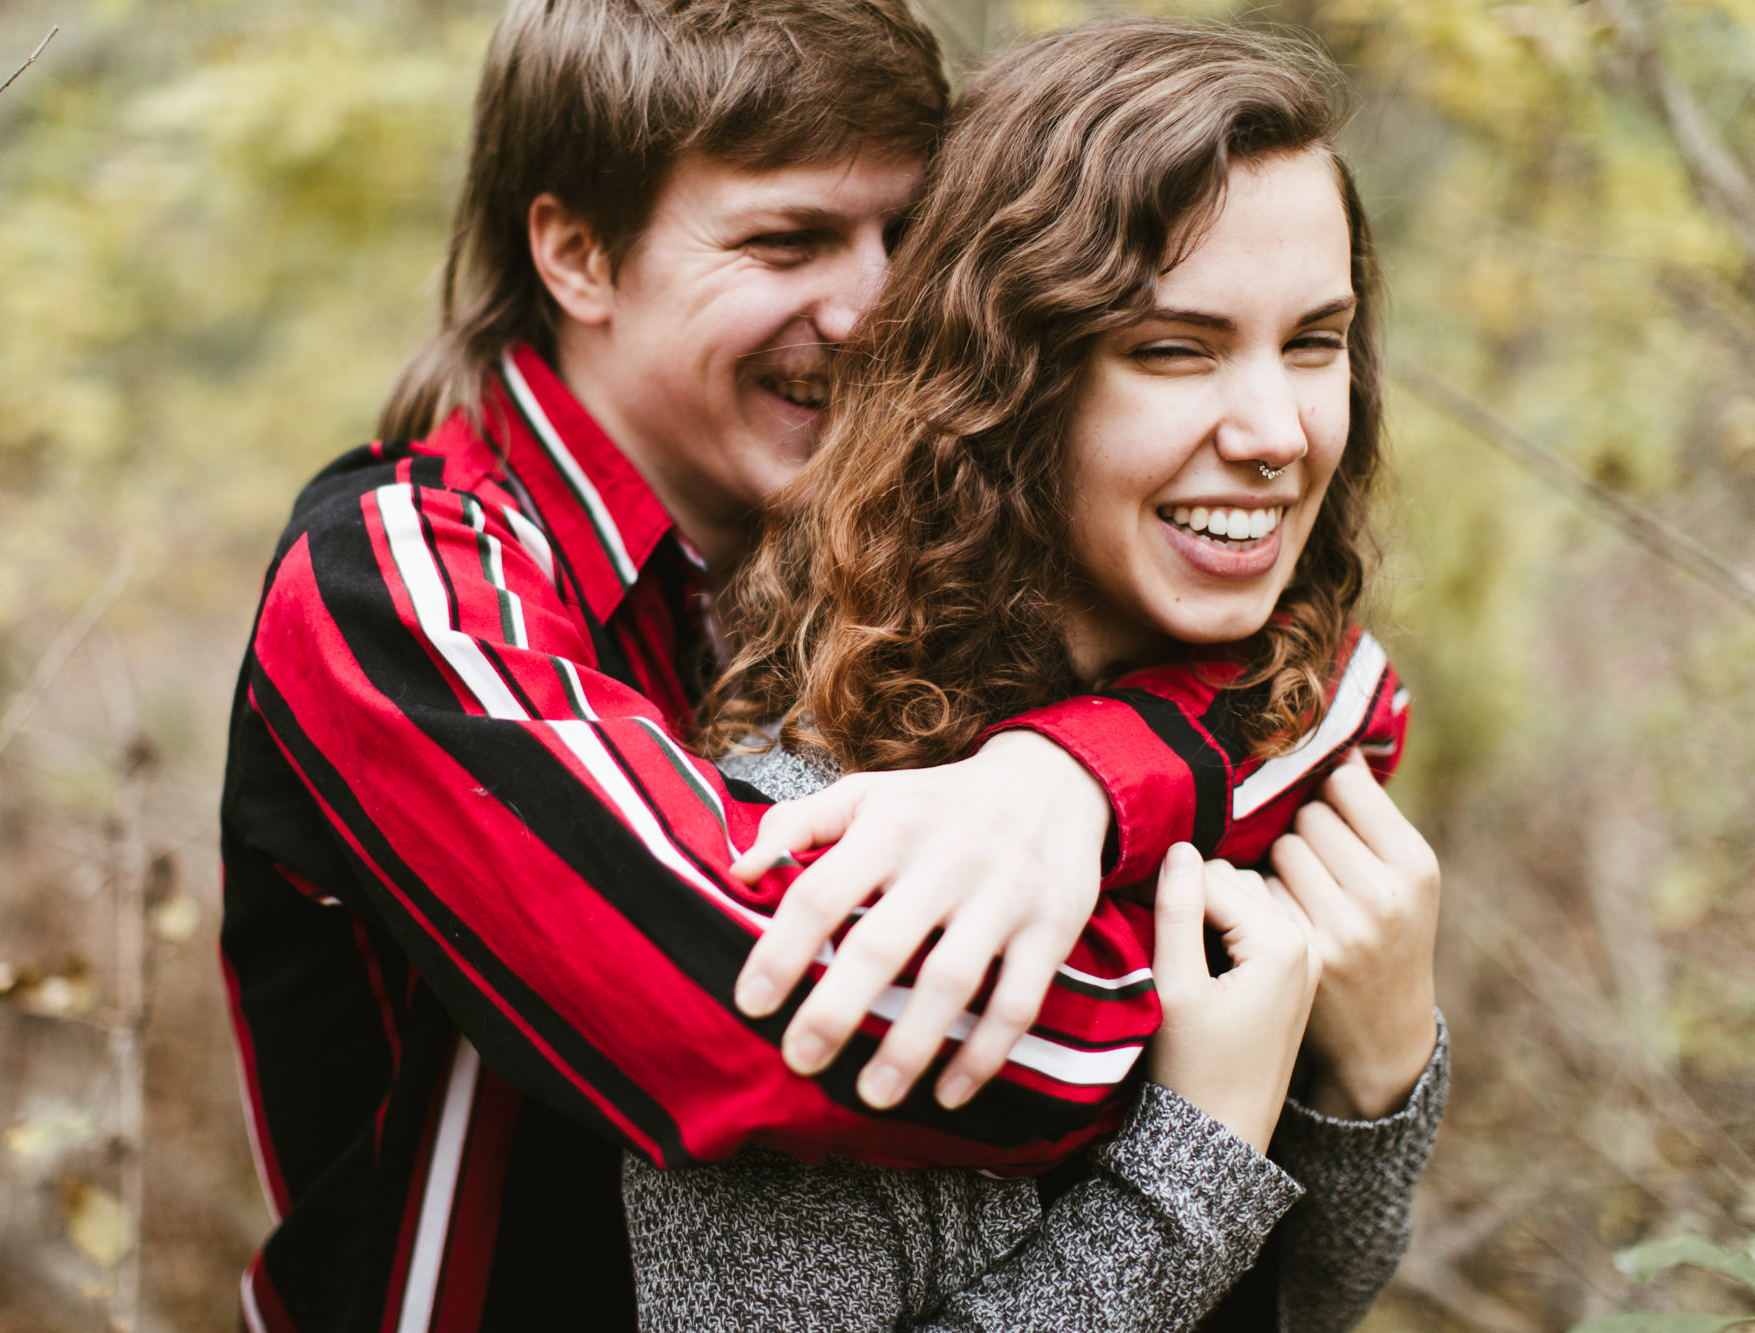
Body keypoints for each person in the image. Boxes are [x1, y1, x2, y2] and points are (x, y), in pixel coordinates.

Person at [219, 4, 1418, 1330]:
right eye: (786, 241)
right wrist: (1208, 1058)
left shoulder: (906, 577)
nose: (868, 310)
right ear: (574, 250)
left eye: (904, 238)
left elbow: (1329, 678)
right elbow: (767, 1020)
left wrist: (1075, 781)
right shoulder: (400, 581)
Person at [622, 19, 1446, 1331]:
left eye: (1314, 341)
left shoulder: (1276, 731)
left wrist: (1381, 1069)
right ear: (1004, 379)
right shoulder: (826, 867)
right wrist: (1193, 1162)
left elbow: (1307, 1299)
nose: (1279, 434)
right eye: (1173, 348)